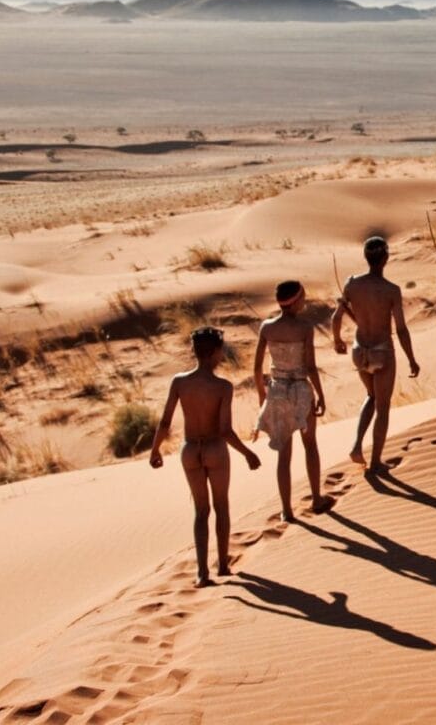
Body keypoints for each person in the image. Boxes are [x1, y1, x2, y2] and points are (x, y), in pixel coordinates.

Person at [150, 327, 261, 587]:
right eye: (221, 349)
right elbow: (225, 430)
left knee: (201, 511)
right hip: (215, 449)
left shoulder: (179, 382)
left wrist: (155, 450)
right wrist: (247, 453)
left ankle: (202, 572)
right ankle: (222, 565)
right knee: (221, 506)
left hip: (190, 450)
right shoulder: (222, 387)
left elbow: (165, 421)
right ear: (215, 352)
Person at [333, 236, 420, 472]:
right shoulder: (391, 290)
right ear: (386, 258)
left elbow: (336, 316)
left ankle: (357, 445)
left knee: (371, 396)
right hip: (382, 352)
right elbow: (400, 329)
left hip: (359, 351)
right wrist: (411, 358)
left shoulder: (352, 284)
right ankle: (374, 462)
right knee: (382, 406)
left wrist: (337, 340)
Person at [253, 280, 330, 521]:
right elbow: (310, 367)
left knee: (283, 455)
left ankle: (287, 510)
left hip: (277, 390)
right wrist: (320, 394)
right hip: (300, 389)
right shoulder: (305, 328)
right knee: (310, 446)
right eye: (303, 297)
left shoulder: (267, 327)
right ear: (296, 301)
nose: (305, 300)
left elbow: (256, 369)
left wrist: (262, 396)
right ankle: (316, 498)